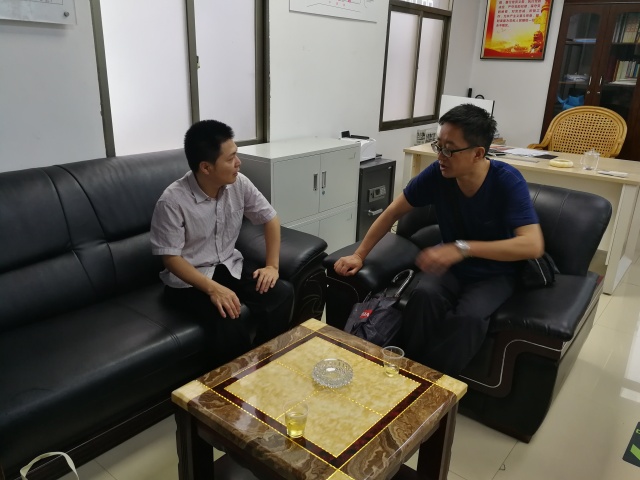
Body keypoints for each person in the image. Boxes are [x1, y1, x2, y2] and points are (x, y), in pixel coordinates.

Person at [333, 104, 544, 375]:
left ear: (478, 153)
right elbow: (392, 212)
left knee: (468, 318)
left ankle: (435, 383)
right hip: (451, 267)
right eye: (439, 146)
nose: (441, 156)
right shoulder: (437, 175)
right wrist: (359, 255)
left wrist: (462, 248)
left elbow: (532, 245)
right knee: (422, 297)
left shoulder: (507, 182)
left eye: (449, 149)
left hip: (495, 273)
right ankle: (409, 372)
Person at [150, 119, 293, 366]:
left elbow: (270, 218)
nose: (238, 163)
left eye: (236, 154)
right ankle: (237, 383)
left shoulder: (239, 183)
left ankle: (266, 363)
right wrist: (213, 289)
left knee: (280, 294)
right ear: (206, 167)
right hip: (189, 281)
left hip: (228, 265)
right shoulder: (172, 201)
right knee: (227, 318)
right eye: (230, 158)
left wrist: (272, 266)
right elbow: (171, 258)